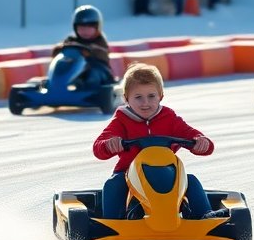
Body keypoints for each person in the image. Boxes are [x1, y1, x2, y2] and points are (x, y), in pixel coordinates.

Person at [92, 62, 221, 220]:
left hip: (168, 172)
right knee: (113, 184)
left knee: (191, 180)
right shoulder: (121, 120)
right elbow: (98, 148)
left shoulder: (170, 118)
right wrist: (109, 144)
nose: (145, 103)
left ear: (160, 96)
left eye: (151, 96)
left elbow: (193, 136)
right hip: (129, 174)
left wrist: (201, 142)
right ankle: (112, 223)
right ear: (126, 99)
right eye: (138, 97)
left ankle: (205, 216)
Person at [53, 4, 114, 88]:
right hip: (77, 70)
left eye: (89, 27)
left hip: (100, 71)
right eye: (81, 27)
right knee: (62, 71)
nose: (85, 31)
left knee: (93, 75)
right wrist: (62, 49)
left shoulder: (100, 42)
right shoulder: (71, 40)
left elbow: (101, 54)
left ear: (97, 27)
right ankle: (56, 87)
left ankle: (88, 91)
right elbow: (57, 51)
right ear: (75, 27)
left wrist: (89, 53)